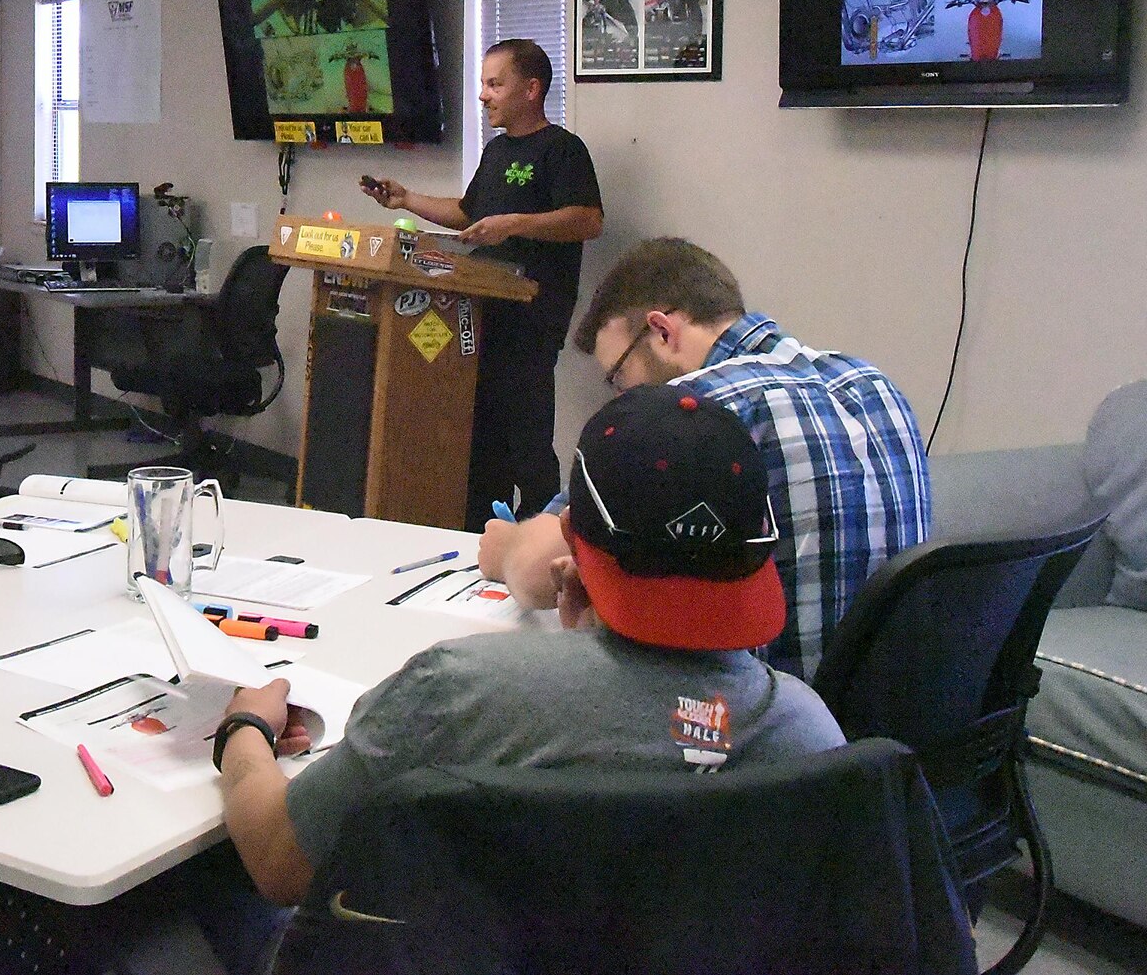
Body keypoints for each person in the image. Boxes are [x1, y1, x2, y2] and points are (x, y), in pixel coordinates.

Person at [213, 384, 845, 913]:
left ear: (574, 554)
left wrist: (245, 728)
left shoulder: (463, 689)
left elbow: (276, 865)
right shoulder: (811, 737)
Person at [484, 237, 931, 680]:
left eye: (619, 376)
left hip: (752, 731)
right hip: (885, 737)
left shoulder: (697, 411)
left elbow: (539, 567)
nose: (624, 397)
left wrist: (506, 551)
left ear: (662, 331)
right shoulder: (877, 387)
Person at [362, 39, 602, 527]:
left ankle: (541, 536)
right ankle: (482, 535)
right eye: (484, 84)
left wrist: (514, 224)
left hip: (531, 317)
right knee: (479, 436)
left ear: (531, 89)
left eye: (495, 83)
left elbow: (588, 220)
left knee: (526, 438)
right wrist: (406, 199)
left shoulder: (562, 149)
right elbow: (468, 215)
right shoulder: (496, 151)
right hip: (479, 312)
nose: (484, 95)